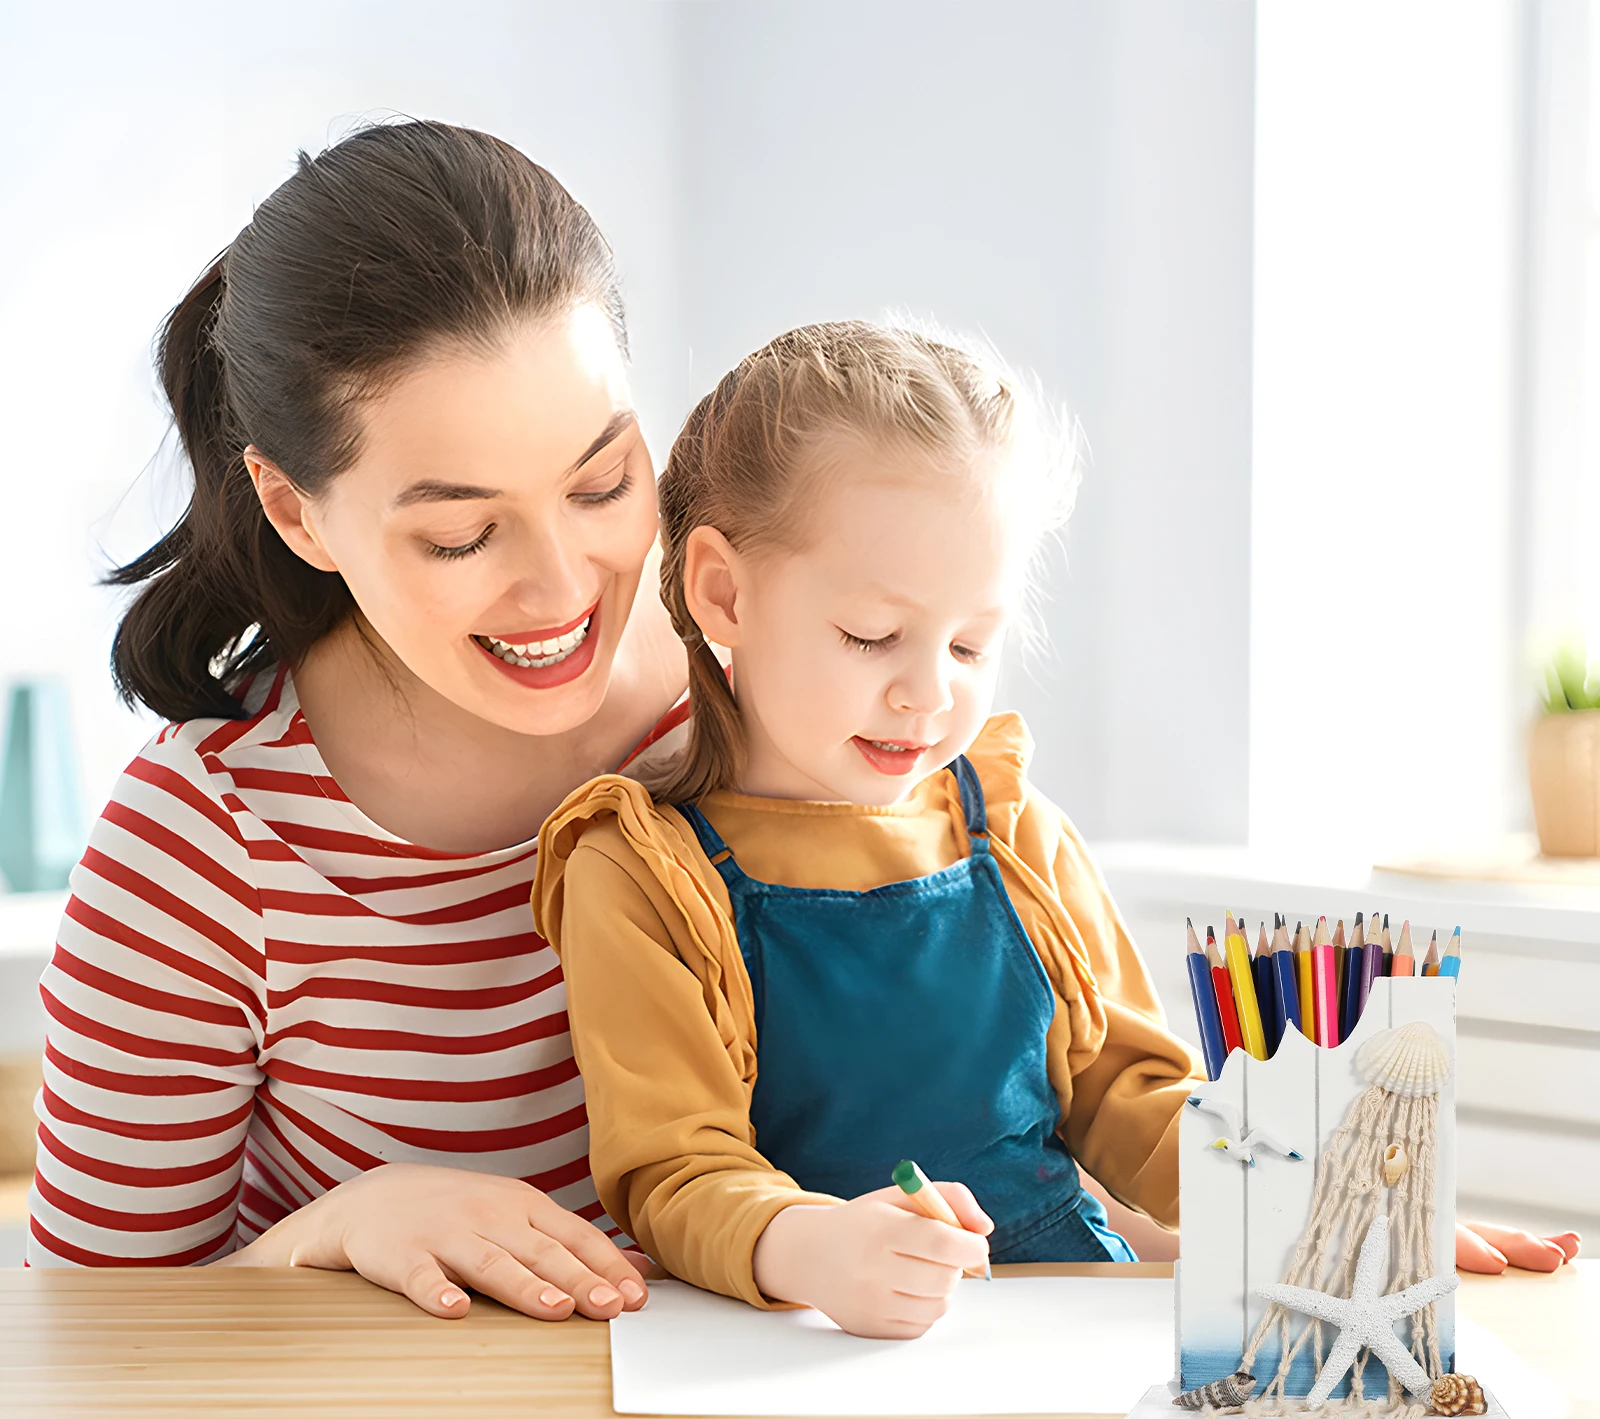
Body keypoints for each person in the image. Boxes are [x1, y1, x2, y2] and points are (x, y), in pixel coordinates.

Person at [535, 322, 1581, 1343]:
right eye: (870, 635)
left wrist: (1329, 1204)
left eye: (968, 641)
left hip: (1060, 1329)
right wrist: (808, 1246)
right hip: (797, 1343)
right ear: (723, 590)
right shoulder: (636, 867)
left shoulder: (1013, 825)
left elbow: (1134, 1095)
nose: (926, 692)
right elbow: (673, 1168)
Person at [26, 121, 689, 1324]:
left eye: (601, 484)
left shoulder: (757, 688)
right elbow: (80, 1338)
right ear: (297, 513)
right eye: (459, 533)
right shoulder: (200, 850)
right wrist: (332, 1231)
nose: (561, 588)